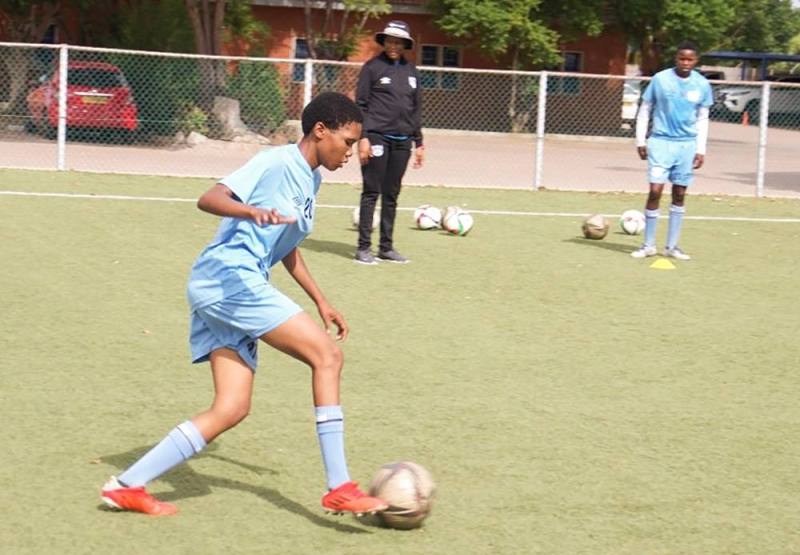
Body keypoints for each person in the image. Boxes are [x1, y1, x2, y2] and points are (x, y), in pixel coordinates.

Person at [100, 92, 388, 517]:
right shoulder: (277, 162)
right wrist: (251, 212)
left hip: (223, 284)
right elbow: (210, 198)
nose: (351, 152)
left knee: (232, 407)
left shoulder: (310, 178)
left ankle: (126, 485)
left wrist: (321, 300)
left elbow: (287, 245)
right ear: (320, 131)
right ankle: (339, 486)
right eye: (347, 141)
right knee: (327, 357)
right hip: (230, 279)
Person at [632, 41, 713, 260]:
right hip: (660, 142)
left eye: (690, 59)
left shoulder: (702, 84)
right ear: (675, 59)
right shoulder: (661, 79)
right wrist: (641, 141)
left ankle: (672, 246)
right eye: (681, 58)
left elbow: (703, 118)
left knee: (679, 193)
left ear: (696, 61)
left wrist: (700, 149)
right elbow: (645, 109)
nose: (685, 63)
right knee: (655, 191)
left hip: (687, 145)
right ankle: (648, 244)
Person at [354, 20, 424, 265]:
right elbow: (360, 106)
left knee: (391, 194)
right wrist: (362, 138)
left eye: (399, 42)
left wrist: (420, 142)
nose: (394, 45)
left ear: (405, 44)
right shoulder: (372, 68)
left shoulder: (412, 72)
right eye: (390, 41)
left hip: (403, 141)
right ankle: (363, 248)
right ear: (384, 42)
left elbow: (415, 109)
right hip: (376, 137)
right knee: (372, 191)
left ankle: (386, 247)